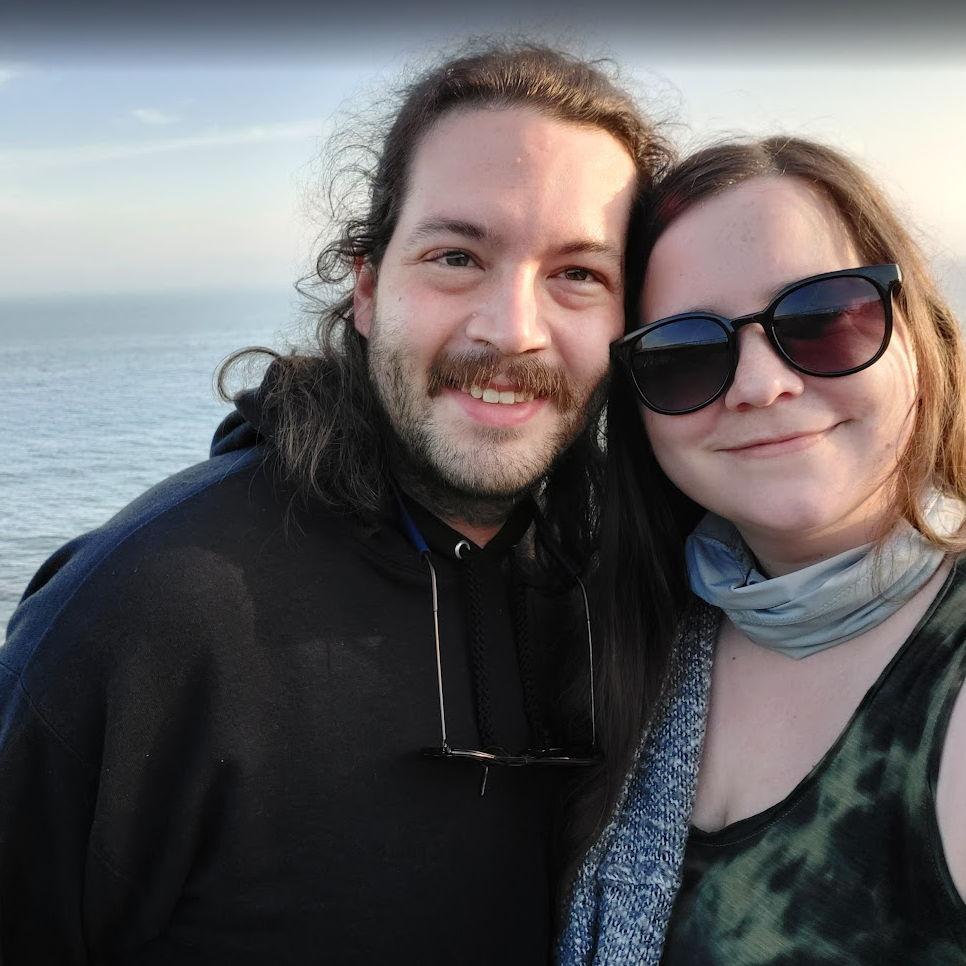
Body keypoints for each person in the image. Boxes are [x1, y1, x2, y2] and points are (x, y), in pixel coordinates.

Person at [0, 45, 672, 964]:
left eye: (578, 274)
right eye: (455, 256)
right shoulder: (142, 615)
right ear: (365, 287)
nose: (511, 328)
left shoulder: (637, 590)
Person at [560, 137, 966, 964]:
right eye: (684, 353)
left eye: (822, 319)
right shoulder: (637, 633)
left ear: (917, 340)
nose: (760, 383)